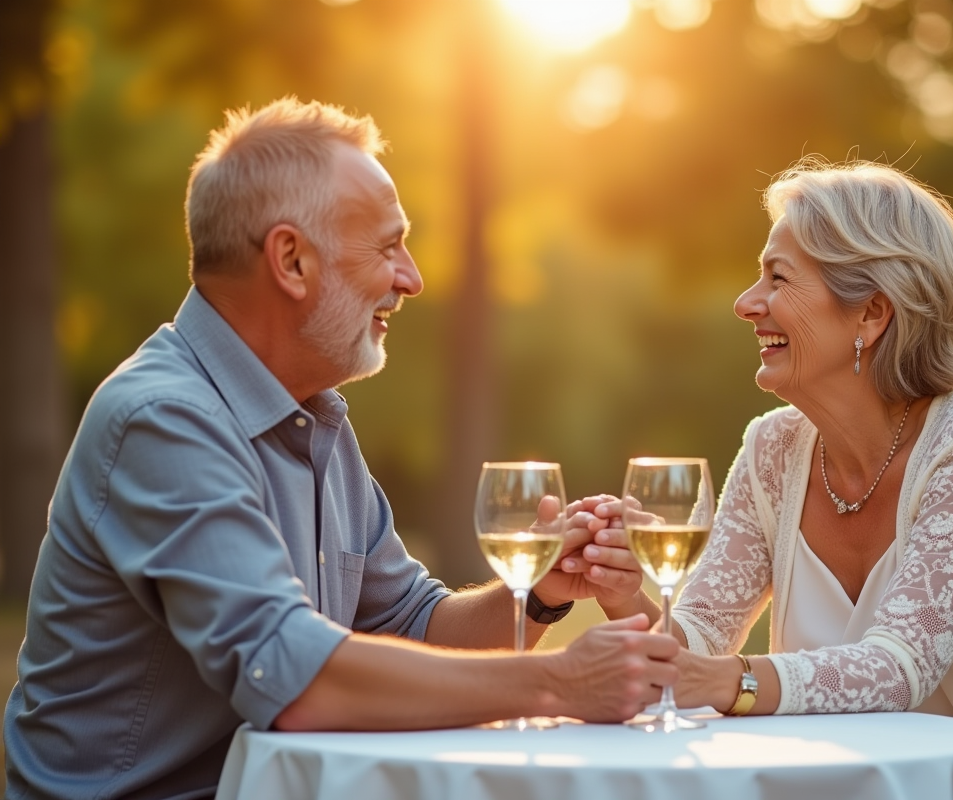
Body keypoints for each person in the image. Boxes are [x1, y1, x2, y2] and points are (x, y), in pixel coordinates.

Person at [3, 98, 678, 800]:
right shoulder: (164, 419)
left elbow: (413, 628)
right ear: (291, 260)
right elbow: (292, 678)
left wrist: (536, 594)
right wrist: (558, 682)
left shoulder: (313, 416)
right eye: (388, 247)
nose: (412, 278)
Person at [580, 159, 953, 799]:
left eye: (778, 278)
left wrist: (730, 680)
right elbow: (695, 640)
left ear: (871, 313)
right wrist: (626, 593)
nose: (746, 303)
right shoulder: (772, 449)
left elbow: (898, 667)